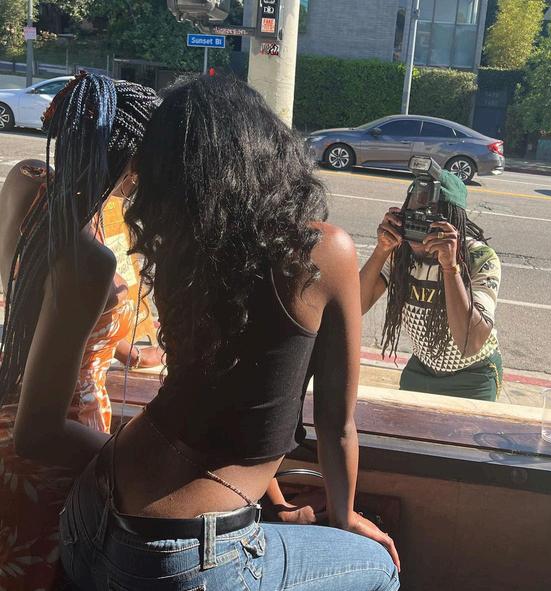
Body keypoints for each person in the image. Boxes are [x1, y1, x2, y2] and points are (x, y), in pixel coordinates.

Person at [59, 74, 400, 591]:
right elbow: (335, 425)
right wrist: (345, 517)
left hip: (88, 515)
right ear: (268, 148)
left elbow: (228, 402)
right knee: (378, 567)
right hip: (177, 557)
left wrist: (278, 504)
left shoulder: (183, 253)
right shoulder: (321, 251)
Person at [0, 73, 160, 590]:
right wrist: (137, 462)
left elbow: (36, 304)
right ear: (133, 165)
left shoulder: (26, 183)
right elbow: (39, 432)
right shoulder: (90, 259)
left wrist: (118, 346)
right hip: (59, 446)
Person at [360, 171, 502, 401]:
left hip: (473, 376)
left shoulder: (479, 258)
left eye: (427, 221)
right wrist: (381, 250)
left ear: (452, 222)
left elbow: (470, 343)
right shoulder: (400, 252)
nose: (417, 232)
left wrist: (450, 268)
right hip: (422, 368)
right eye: (411, 217)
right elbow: (355, 305)